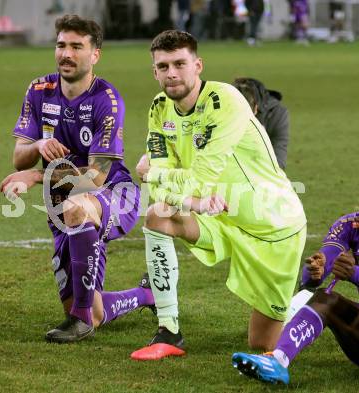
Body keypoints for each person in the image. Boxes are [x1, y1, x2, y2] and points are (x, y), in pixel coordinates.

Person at [130, 30, 306, 361]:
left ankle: (306, 300)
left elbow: (195, 179)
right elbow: (166, 190)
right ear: (154, 72)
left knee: (262, 343)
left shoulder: (225, 101)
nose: (172, 73)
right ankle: (169, 333)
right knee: (158, 213)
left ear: (197, 65)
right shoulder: (158, 109)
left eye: (180, 63)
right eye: (163, 66)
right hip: (220, 215)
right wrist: (190, 202)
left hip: (274, 227)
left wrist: (154, 172)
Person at [0, 14, 154, 343]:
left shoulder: (107, 100)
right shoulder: (39, 90)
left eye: (76, 47)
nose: (66, 54)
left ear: (94, 54)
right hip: (61, 198)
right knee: (92, 309)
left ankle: (80, 322)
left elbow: (97, 177)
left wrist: (36, 175)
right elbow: (19, 155)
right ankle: (145, 295)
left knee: (77, 207)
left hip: (114, 193)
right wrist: (39, 145)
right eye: (61, 45)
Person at [232, 212, 359, 384]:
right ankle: (277, 361)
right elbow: (309, 278)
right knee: (325, 299)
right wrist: (317, 268)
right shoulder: (351, 224)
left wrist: (354, 274)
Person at [233, 77, 289, 170]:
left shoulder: (277, 114)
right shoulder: (221, 112)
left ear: (255, 107)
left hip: (262, 174)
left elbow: (279, 159)